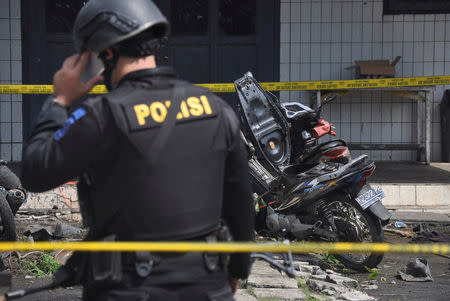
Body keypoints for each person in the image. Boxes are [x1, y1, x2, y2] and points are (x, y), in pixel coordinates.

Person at [21, 0, 253, 300]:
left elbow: (35, 172)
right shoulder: (215, 108)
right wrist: (237, 269)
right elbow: (240, 202)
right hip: (207, 286)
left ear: (106, 53)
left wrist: (60, 102)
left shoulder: (101, 115)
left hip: (127, 289)